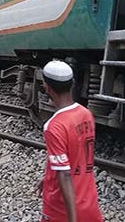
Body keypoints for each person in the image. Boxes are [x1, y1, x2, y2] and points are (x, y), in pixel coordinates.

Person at [38, 60, 103, 222]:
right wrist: (47, 178)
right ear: (72, 84)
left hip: (61, 210)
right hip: (89, 202)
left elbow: (65, 174)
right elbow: (75, 155)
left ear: (48, 88)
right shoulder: (86, 114)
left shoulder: (54, 126)